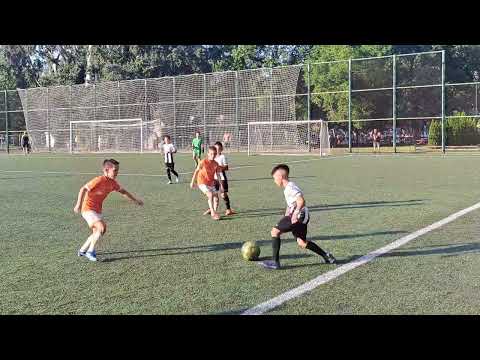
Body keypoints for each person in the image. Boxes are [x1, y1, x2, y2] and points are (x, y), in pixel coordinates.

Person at [260, 164, 336, 270]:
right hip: (301, 215)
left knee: (274, 231)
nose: (274, 181)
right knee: (302, 243)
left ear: (280, 177)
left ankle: (275, 262)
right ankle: (326, 256)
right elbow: (293, 203)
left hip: (299, 216)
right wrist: (287, 213)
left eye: (274, 178)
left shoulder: (290, 187)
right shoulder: (288, 188)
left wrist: (295, 214)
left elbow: (301, 200)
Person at [73, 159, 144, 262]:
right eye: (115, 170)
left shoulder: (113, 183)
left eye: (118, 171)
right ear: (106, 170)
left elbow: (123, 192)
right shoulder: (99, 180)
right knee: (101, 227)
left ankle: (82, 250)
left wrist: (135, 200)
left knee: (97, 232)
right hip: (88, 209)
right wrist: (78, 205)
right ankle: (90, 251)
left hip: (97, 210)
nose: (117, 173)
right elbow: (83, 189)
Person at [190, 146, 223, 221]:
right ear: (208, 154)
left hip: (210, 182)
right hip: (202, 182)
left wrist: (221, 185)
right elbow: (196, 171)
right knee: (210, 194)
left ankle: (213, 211)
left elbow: (218, 175)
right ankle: (213, 213)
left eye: (214, 154)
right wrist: (192, 182)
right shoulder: (203, 162)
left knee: (216, 199)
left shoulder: (216, 164)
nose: (213, 155)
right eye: (211, 154)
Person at [204, 142, 235, 216]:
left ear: (221, 149)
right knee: (214, 195)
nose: (216, 150)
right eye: (215, 149)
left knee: (223, 194)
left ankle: (228, 209)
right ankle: (212, 209)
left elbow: (226, 167)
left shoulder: (222, 157)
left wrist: (219, 168)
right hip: (213, 179)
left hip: (221, 178)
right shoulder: (211, 158)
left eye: (218, 149)